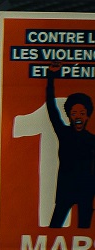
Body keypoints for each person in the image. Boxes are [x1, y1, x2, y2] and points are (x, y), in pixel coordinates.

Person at [45, 64, 95, 229]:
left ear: (87, 116)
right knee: (54, 228)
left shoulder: (92, 139)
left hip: (87, 191)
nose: (78, 117)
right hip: (65, 190)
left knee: (84, 232)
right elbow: (51, 108)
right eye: (74, 113)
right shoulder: (64, 133)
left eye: (82, 113)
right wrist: (51, 77)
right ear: (69, 116)